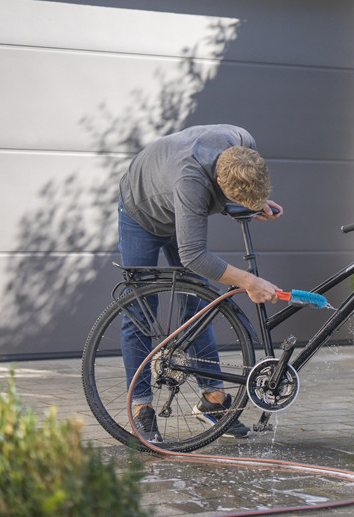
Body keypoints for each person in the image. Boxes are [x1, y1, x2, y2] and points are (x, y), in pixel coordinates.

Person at [117, 124, 283, 442]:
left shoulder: (243, 141)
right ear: (219, 183)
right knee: (140, 310)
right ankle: (140, 407)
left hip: (177, 200)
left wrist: (255, 202)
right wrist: (249, 281)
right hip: (142, 212)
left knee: (199, 304)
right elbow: (194, 256)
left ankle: (212, 400)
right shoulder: (191, 180)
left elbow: (243, 188)